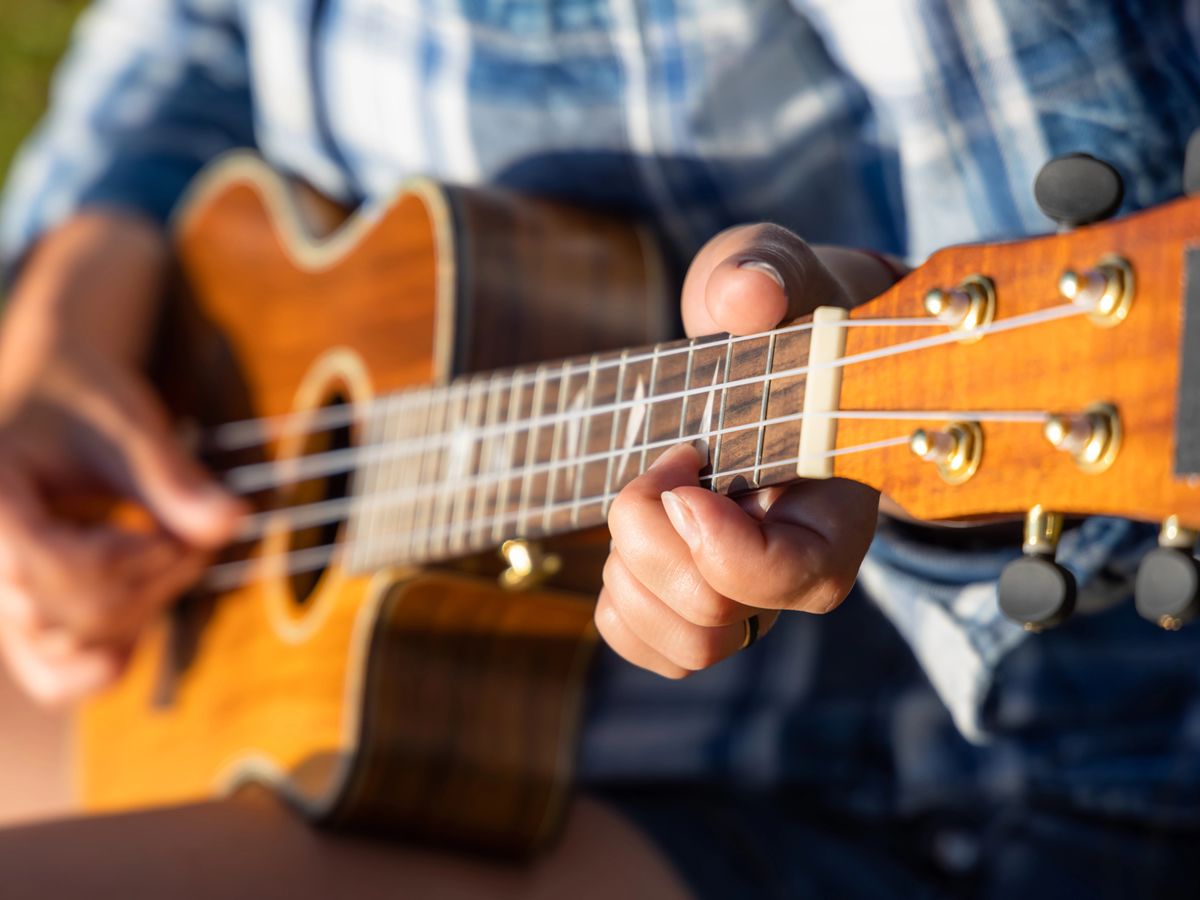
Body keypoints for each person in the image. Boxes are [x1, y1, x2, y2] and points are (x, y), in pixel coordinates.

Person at [2, 1, 1200, 896]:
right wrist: (69, 303)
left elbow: (1060, 346)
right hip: (255, 533)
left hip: (892, 793)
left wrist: (894, 458)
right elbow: (194, 37)